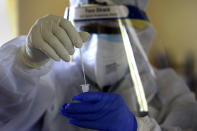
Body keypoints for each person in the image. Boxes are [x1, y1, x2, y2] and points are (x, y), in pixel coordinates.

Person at [0, 0, 197, 131]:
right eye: (89, 28)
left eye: (111, 29)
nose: (99, 39)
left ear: (140, 33)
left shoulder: (170, 92)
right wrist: (24, 63)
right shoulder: (49, 82)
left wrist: (137, 127)